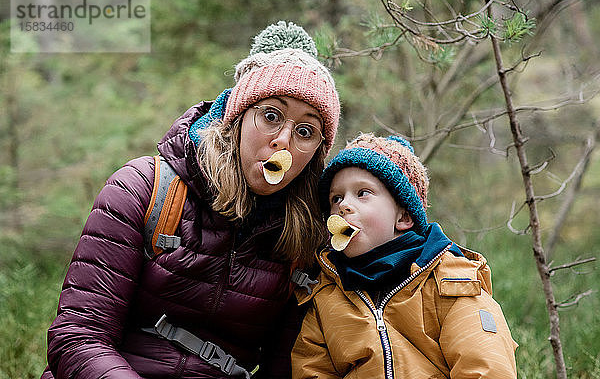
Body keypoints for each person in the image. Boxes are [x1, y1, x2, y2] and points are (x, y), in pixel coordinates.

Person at [41, 21, 340, 379]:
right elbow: (78, 337)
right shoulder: (143, 190)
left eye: (305, 131)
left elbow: (285, 367)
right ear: (238, 117)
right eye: (271, 116)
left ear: (316, 154)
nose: (284, 140)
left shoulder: (306, 241)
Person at [291, 133, 518, 378]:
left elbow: (485, 367)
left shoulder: (453, 281)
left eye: (362, 193)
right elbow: (312, 371)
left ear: (403, 217)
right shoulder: (325, 295)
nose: (344, 205)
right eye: (336, 198)